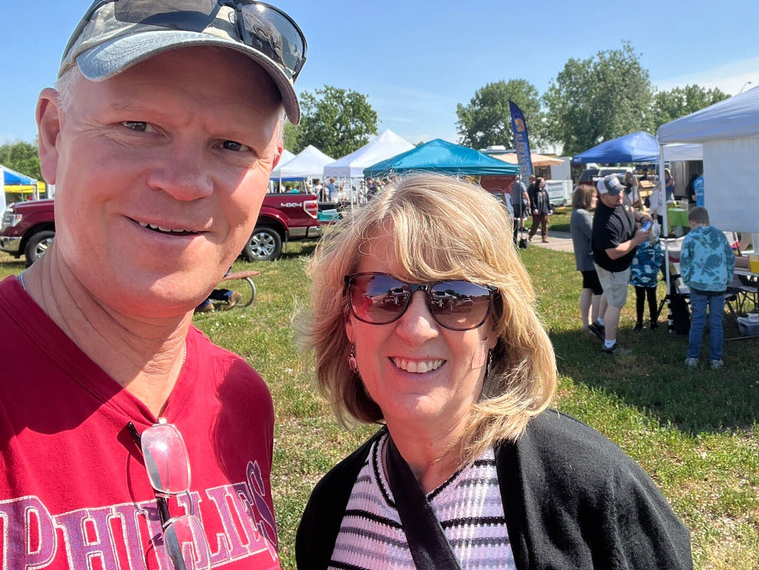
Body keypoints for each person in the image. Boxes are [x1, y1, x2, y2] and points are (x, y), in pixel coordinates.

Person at [0, 0, 307, 568]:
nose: (183, 182)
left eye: (231, 146)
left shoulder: (240, 400)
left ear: (268, 168)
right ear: (53, 132)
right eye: (138, 127)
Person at [295, 173, 692, 569]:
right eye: (382, 293)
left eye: (456, 297)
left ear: (495, 326)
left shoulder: (592, 491)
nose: (416, 329)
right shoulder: (330, 511)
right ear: (348, 321)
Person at [592, 174, 652, 355]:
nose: (619, 196)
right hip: (613, 266)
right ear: (603, 197)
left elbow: (630, 211)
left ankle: (600, 324)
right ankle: (609, 345)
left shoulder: (620, 200)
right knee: (616, 303)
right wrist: (635, 240)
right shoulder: (604, 221)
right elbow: (613, 252)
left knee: (609, 294)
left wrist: (641, 217)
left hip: (620, 265)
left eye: (619, 191)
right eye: (613, 194)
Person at [681, 206, 735, 369]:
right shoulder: (720, 235)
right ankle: (716, 359)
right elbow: (729, 257)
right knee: (716, 322)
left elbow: (685, 262)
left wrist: (688, 280)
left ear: (691, 223)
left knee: (697, 321)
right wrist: (728, 277)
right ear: (708, 221)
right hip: (718, 285)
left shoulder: (689, 238)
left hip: (698, 285)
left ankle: (692, 357)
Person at [570, 184, 604, 335]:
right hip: (590, 259)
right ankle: (596, 323)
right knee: (598, 290)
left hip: (584, 259)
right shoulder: (582, 214)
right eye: (594, 196)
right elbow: (594, 234)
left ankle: (587, 324)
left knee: (588, 288)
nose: (596, 199)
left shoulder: (577, 213)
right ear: (586, 198)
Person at [630, 228, 664, 330]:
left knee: (651, 298)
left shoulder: (654, 240)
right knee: (640, 298)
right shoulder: (634, 240)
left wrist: (655, 268)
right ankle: (639, 322)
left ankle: (654, 321)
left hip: (650, 275)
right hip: (638, 274)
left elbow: (660, 255)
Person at [528, 176, 552, 242]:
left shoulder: (545, 191)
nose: (543, 183)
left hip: (544, 210)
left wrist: (550, 209)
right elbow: (532, 200)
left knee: (545, 224)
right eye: (542, 182)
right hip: (537, 210)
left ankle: (544, 237)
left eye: (543, 182)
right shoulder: (534, 191)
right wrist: (534, 208)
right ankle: (531, 235)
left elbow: (547, 201)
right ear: (538, 183)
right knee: (536, 224)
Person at [510, 173, 529, 241]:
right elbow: (525, 193)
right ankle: (522, 227)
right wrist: (528, 201)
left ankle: (515, 228)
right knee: (522, 215)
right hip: (521, 202)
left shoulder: (512, 184)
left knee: (516, 217)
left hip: (515, 202)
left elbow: (511, 194)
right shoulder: (521, 183)